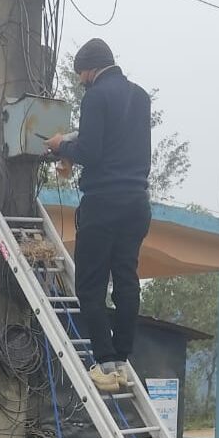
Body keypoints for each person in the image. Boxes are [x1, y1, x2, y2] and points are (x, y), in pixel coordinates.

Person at [46, 37, 152, 393]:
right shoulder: (139, 97)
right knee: (126, 280)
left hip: (104, 202)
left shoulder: (96, 96)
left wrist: (62, 146)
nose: (80, 82)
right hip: (137, 202)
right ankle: (121, 358)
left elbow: (91, 151)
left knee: (90, 286)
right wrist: (75, 143)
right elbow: (115, 142)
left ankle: (104, 363)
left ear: (90, 69)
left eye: (81, 75)